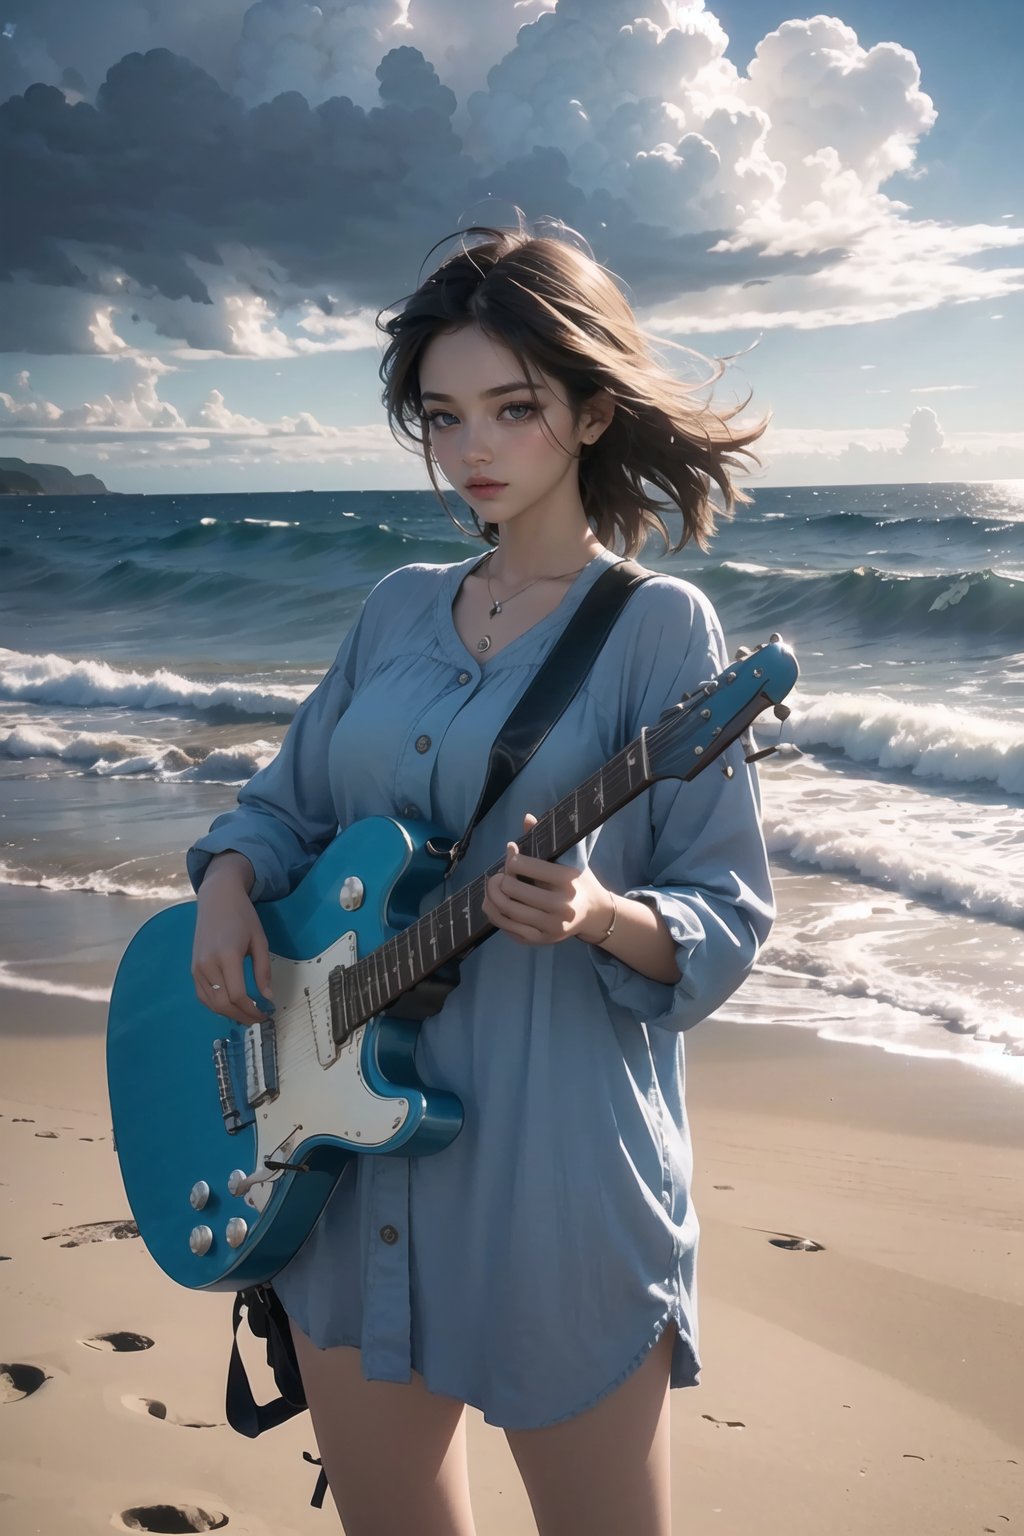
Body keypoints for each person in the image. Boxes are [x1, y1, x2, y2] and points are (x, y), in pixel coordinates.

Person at [186, 216, 774, 1536]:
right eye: (443, 417)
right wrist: (228, 881)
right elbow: (288, 805)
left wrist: (604, 914)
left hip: (552, 1175)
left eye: (512, 409)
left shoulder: (661, 631)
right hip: (341, 1163)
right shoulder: (396, 606)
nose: (472, 453)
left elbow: (726, 910)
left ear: (590, 411)